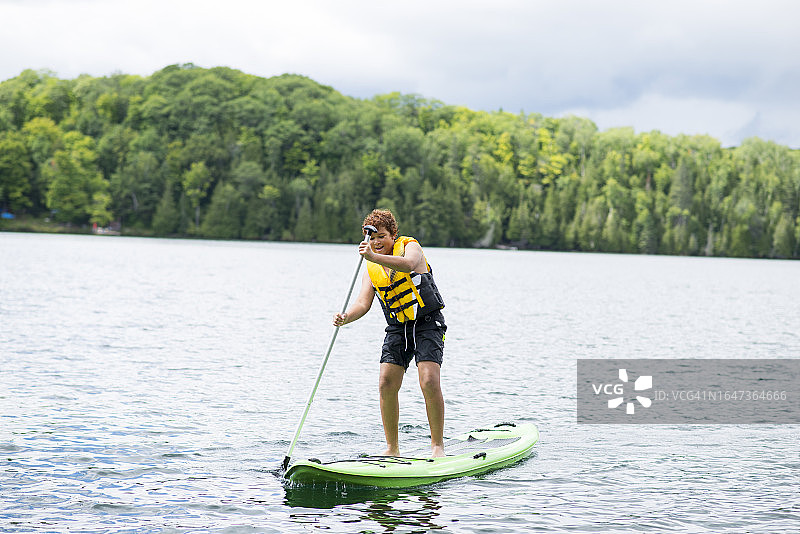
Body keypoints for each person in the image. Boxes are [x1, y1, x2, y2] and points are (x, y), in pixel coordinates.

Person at [333, 209, 447, 457]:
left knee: (428, 381)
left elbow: (407, 266)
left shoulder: (410, 247)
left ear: (393, 235)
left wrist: (372, 256)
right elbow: (363, 304)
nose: (376, 242)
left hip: (427, 323)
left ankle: (437, 446)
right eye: (372, 238)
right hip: (398, 328)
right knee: (386, 383)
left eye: (382, 236)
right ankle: (392, 449)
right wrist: (345, 318)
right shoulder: (371, 270)